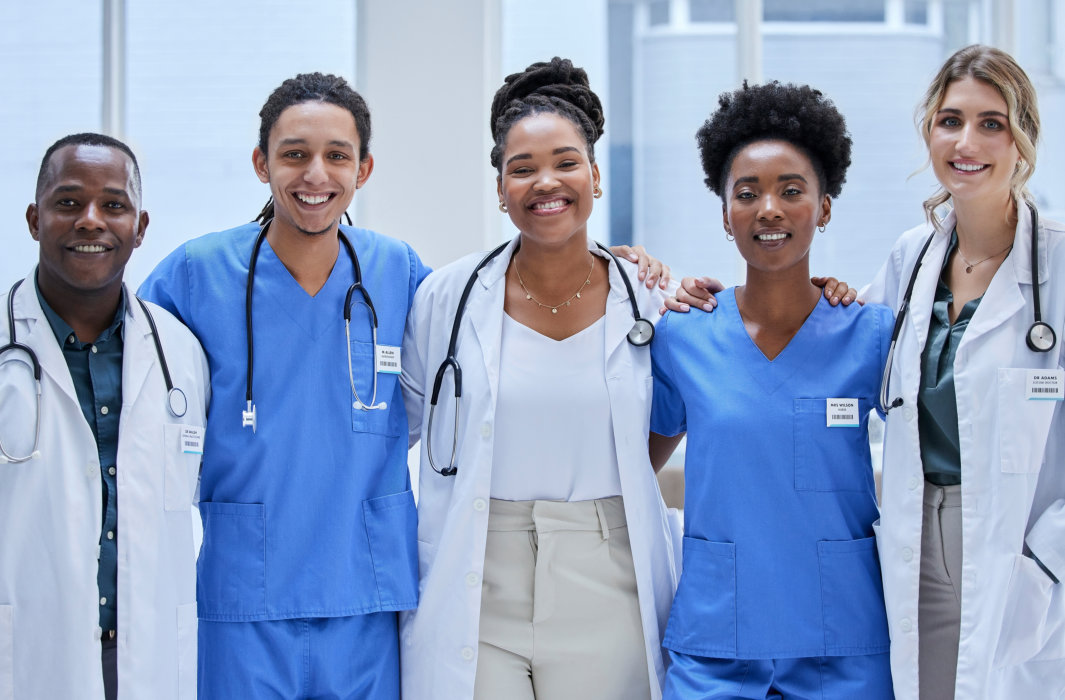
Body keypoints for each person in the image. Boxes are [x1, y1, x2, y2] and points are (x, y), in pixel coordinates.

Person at [139, 74, 428, 699]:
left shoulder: (397, 269)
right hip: (244, 597)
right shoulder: (197, 273)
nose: (315, 174)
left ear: (365, 168)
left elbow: (492, 324)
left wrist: (597, 264)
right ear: (261, 162)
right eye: (294, 153)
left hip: (365, 596)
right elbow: (129, 371)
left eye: (337, 155)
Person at [400, 57, 679, 700]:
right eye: (521, 169)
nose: (544, 182)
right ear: (499, 187)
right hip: (478, 572)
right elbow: (396, 433)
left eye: (566, 161)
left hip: (609, 575)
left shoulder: (652, 300)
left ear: (596, 175)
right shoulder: (446, 296)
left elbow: (669, 421)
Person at [649, 82, 895, 699]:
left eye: (792, 191)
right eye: (747, 193)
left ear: (825, 206)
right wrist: (620, 266)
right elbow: (630, 466)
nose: (769, 209)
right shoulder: (683, 335)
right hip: (717, 642)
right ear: (725, 212)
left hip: (843, 640)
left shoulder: (872, 335)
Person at [862, 45, 1065, 699]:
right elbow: (844, 353)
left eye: (990, 122)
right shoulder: (910, 257)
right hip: (915, 533)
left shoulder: (1057, 268)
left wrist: (1047, 562)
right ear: (928, 131)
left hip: (1018, 545)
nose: (965, 141)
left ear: (1021, 138)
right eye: (949, 120)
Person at [0, 133, 209, 699]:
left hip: (146, 654)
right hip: (29, 655)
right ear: (33, 218)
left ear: (140, 227)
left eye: (113, 205)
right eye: (68, 202)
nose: (91, 221)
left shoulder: (180, 354)